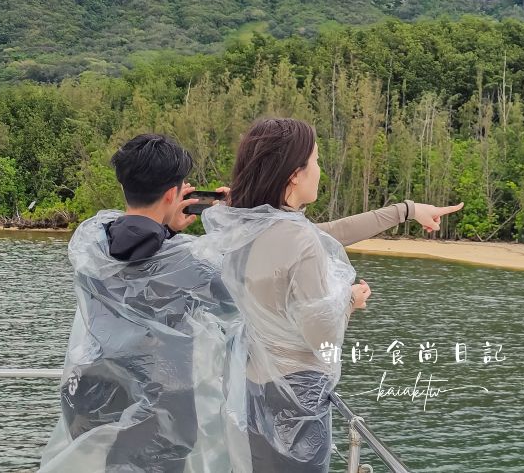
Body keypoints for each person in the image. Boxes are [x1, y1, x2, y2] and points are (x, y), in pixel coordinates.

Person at [195, 118, 462, 473]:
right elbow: (322, 337)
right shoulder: (296, 238)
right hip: (297, 392)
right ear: (294, 174)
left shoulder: (247, 228)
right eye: (317, 160)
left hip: (252, 381)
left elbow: (331, 234)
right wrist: (350, 300)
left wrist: (407, 211)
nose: (320, 170)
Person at [40, 134, 238, 473]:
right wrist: (233, 221)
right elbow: (240, 302)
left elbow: (137, 249)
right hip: (160, 408)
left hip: (88, 393)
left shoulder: (93, 243)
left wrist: (165, 229)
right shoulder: (186, 261)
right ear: (173, 194)